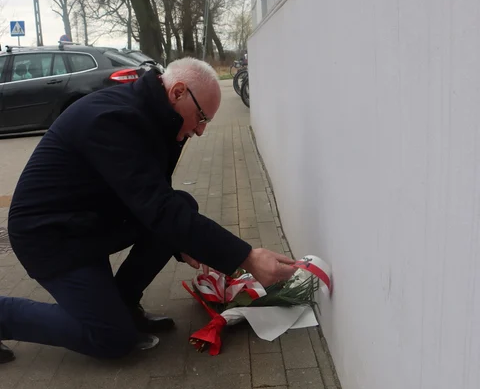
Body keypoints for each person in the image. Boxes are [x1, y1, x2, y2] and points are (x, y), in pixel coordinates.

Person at [0, 58, 295, 364]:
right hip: (50, 236)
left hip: (88, 223)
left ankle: (124, 304)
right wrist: (245, 257)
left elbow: (159, 201)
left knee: (182, 206)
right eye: (201, 117)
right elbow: (158, 210)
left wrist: (188, 243)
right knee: (111, 338)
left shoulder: (156, 118)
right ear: (178, 92)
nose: (202, 130)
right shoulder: (114, 120)